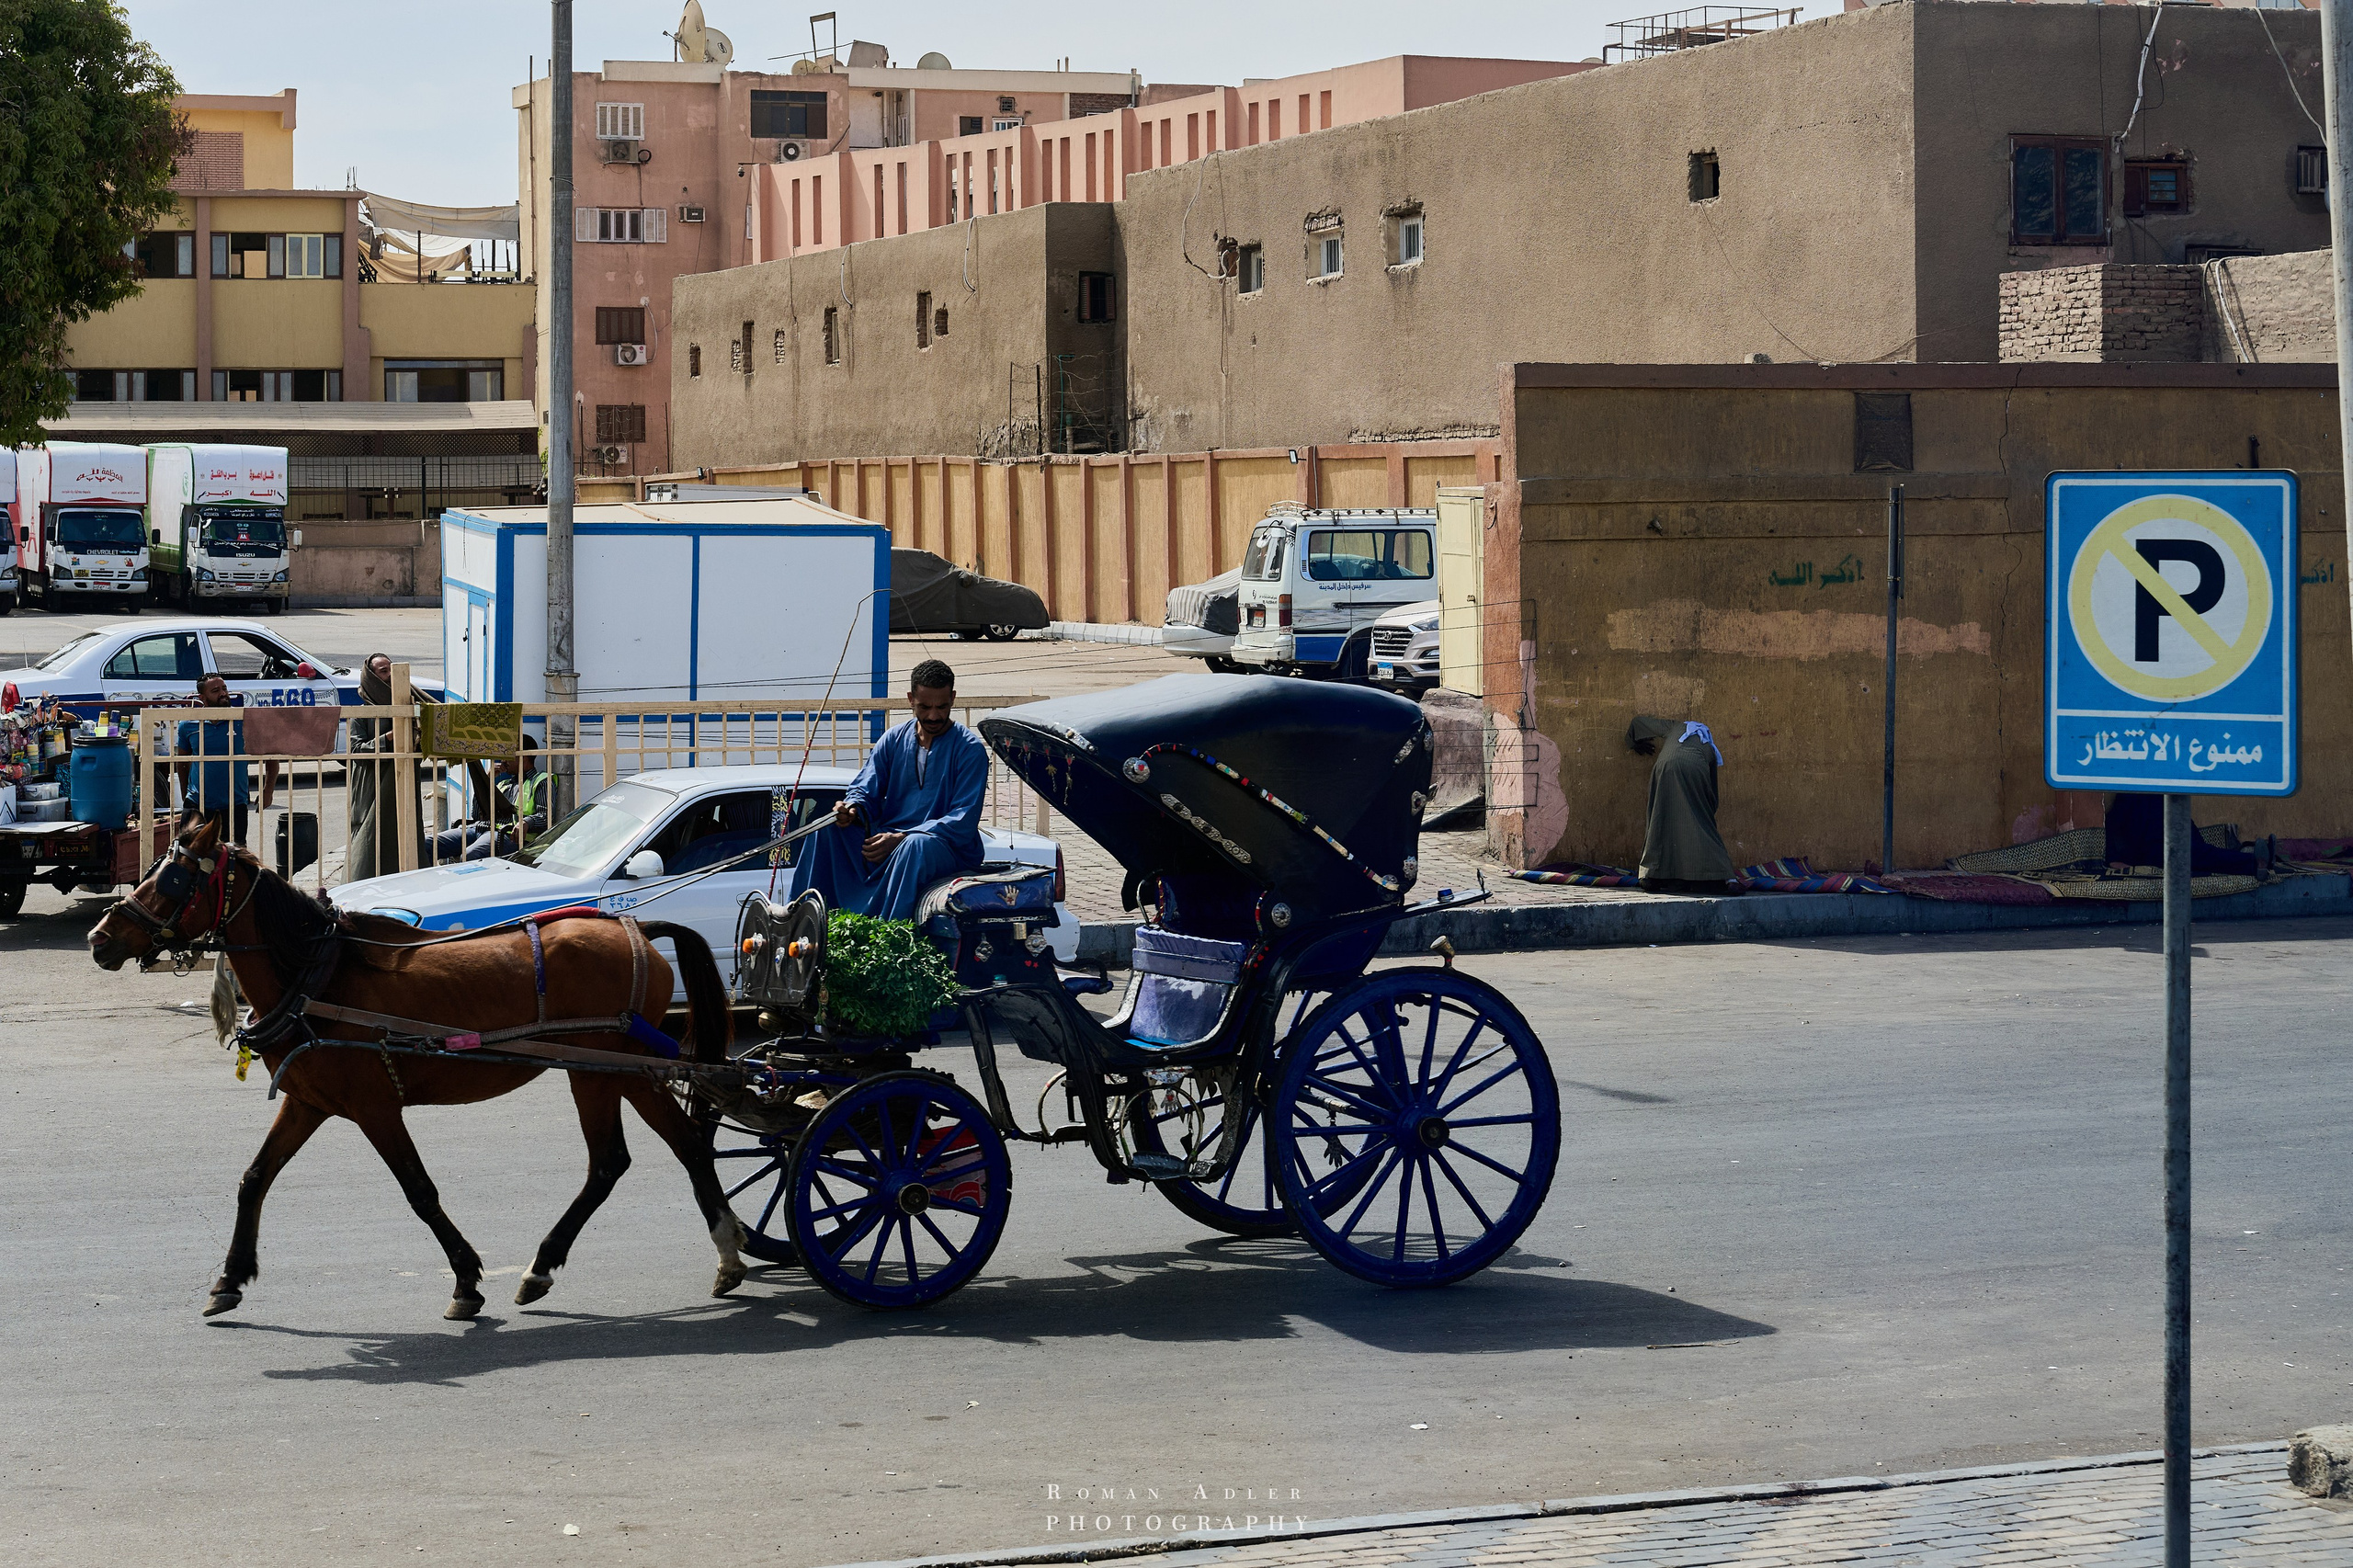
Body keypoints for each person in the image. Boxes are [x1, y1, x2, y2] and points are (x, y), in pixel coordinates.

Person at [788, 659, 989, 920]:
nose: (934, 716)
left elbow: (963, 820)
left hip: (945, 848)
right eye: (924, 707)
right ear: (910, 699)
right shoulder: (893, 739)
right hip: (889, 841)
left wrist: (902, 837)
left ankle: (887, 930)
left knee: (915, 846)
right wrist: (851, 809)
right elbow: (864, 790)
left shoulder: (969, 749)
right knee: (826, 828)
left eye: (942, 706)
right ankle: (805, 919)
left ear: (953, 698)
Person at [346, 653, 435, 881]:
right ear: (372, 678)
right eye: (384, 671)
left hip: (402, 783)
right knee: (370, 842)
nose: (390, 676)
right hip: (373, 788)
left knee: (405, 836)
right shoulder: (363, 713)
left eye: (391, 670)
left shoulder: (412, 707)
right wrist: (389, 738)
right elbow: (356, 751)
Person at [1627, 715, 1734, 895]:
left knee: (1660, 818)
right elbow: (1711, 795)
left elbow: (1638, 723)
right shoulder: (1708, 748)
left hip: (1664, 767)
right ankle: (1723, 876)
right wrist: (1705, 813)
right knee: (1700, 823)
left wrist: (1634, 743)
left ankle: (1651, 874)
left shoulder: (1675, 727)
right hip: (1694, 769)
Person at [174, 675, 276, 846]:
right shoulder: (189, 725)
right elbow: (182, 763)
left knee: (233, 862)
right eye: (215, 691)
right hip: (197, 804)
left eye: (224, 689)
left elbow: (271, 757)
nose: (223, 694)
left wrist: (268, 791)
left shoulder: (243, 723)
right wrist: (186, 797)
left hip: (234, 805)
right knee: (190, 857)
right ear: (202, 698)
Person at [432, 740, 551, 862]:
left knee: (470, 855)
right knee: (429, 844)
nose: (503, 761)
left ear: (523, 757)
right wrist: (487, 781)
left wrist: (527, 821)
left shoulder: (541, 781)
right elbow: (477, 815)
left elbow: (546, 816)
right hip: (480, 828)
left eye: (507, 756)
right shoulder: (504, 784)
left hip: (506, 834)